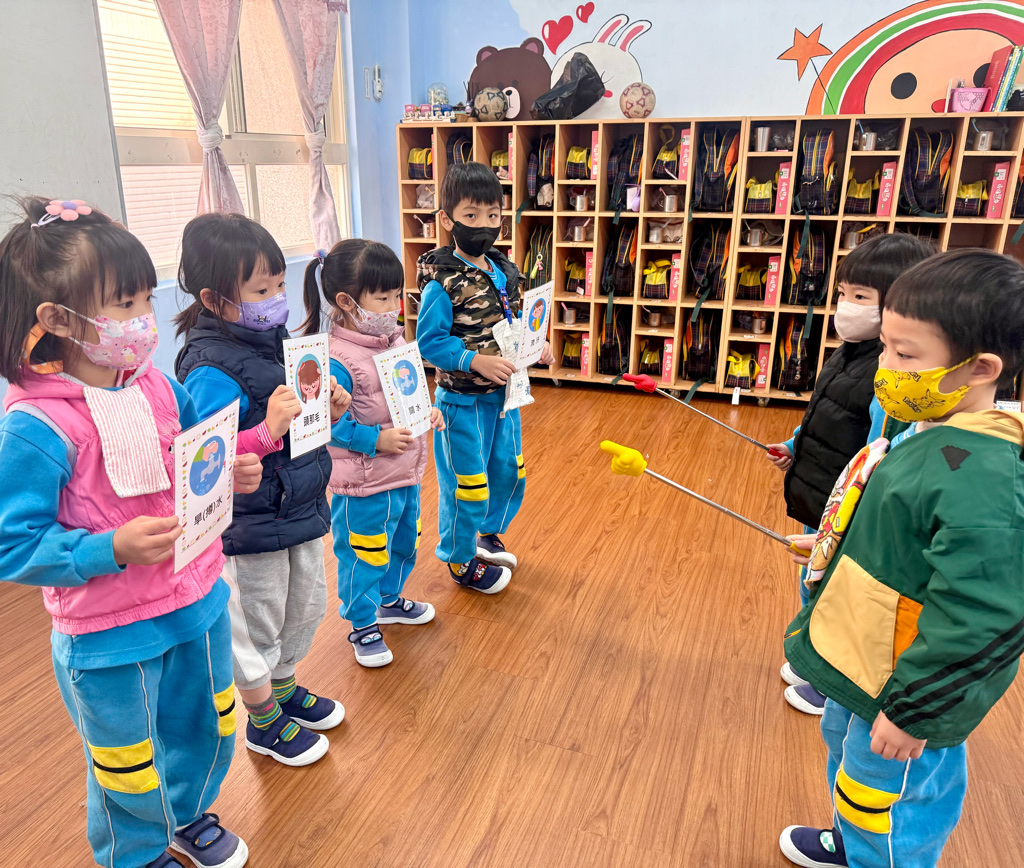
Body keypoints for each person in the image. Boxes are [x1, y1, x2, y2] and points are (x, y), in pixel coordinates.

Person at [0, 198, 263, 868]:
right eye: (126, 303)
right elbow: (12, 544)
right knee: (126, 760)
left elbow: (192, 462)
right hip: (109, 634)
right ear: (58, 320)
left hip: (197, 601)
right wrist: (106, 549)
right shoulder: (36, 427)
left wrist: (227, 472)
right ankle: (136, 853)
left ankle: (187, 814)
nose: (147, 317)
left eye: (146, 297)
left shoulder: (158, 387)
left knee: (208, 724)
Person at [778, 249, 1024, 868]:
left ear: (981, 369)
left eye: (905, 355)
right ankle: (856, 847)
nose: (885, 367)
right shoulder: (929, 429)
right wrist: (839, 541)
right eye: (886, 347)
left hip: (904, 686)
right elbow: (906, 536)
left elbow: (982, 614)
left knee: (887, 802)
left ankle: (880, 856)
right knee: (852, 771)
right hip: (866, 664)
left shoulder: (985, 476)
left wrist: (917, 710)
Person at [175, 213, 351, 767]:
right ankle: (262, 719)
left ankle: (283, 688)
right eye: (260, 291)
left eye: (279, 285)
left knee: (305, 607)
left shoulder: (276, 343)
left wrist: (328, 407)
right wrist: (267, 432)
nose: (276, 300)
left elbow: (302, 419)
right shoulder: (209, 367)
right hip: (251, 524)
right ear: (214, 298)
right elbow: (205, 460)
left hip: (299, 504)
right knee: (256, 623)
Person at [767, 233, 933, 716]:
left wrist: (850, 525)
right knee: (813, 585)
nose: (846, 306)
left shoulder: (891, 381)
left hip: (850, 515)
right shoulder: (849, 352)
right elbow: (825, 414)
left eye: (860, 296)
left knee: (838, 597)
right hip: (822, 496)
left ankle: (831, 684)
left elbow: (878, 459)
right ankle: (811, 657)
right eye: (843, 293)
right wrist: (794, 446)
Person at [302, 239, 444, 667]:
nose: (394, 306)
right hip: (363, 482)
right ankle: (362, 623)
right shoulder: (336, 359)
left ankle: (388, 600)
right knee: (364, 553)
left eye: (397, 294)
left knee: (404, 541)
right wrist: (374, 440)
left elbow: (406, 395)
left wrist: (427, 411)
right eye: (383, 298)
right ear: (347, 302)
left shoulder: (392, 340)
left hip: (403, 473)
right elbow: (322, 424)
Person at [416, 162, 554, 593]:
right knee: (467, 485)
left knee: (507, 472)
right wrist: (474, 360)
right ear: (447, 220)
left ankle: (484, 535)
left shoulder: (504, 270)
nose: (483, 225)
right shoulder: (441, 282)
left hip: (506, 398)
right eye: (471, 215)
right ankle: (460, 559)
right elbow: (429, 342)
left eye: (492, 215)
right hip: (462, 405)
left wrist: (537, 346)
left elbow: (516, 324)